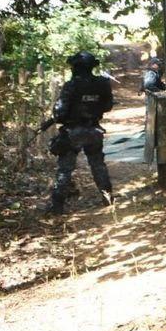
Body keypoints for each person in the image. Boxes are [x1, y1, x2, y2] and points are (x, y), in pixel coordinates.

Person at [45, 51, 114, 214]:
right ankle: (108, 199)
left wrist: (58, 117)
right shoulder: (102, 83)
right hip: (94, 131)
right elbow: (108, 106)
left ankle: (56, 207)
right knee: (98, 165)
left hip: (73, 132)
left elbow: (59, 112)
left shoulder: (71, 86)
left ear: (75, 67)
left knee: (65, 169)